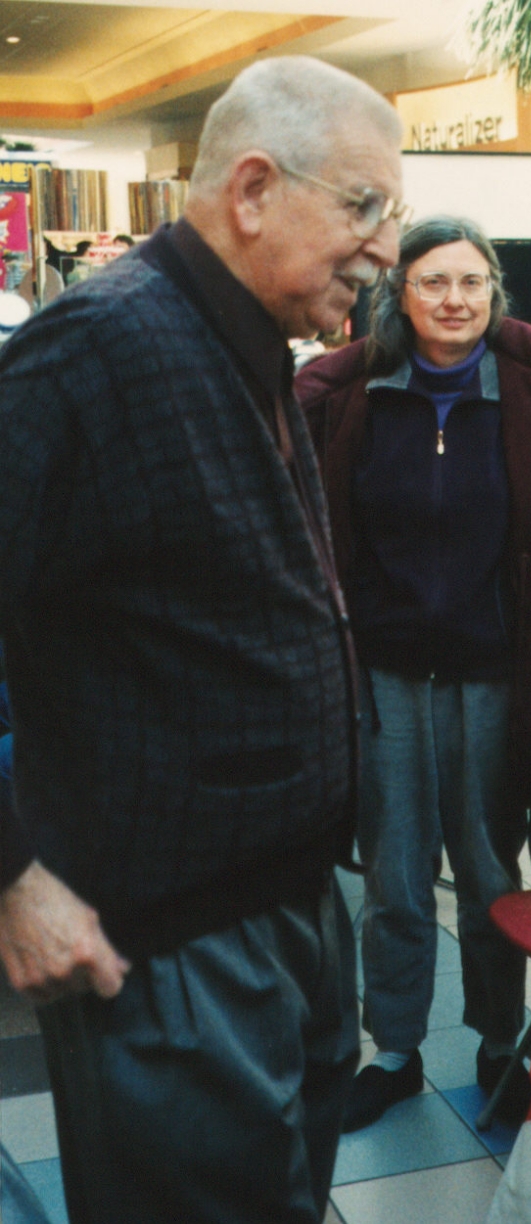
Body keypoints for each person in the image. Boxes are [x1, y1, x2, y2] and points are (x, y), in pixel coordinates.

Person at [0, 56, 404, 1224]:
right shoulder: (93, 350)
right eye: (363, 208)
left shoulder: (252, 347)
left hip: (281, 915)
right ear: (252, 189)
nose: (384, 249)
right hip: (166, 949)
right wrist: (14, 877)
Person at [296, 215, 531, 1131]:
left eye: (473, 283)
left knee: (490, 876)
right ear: (397, 295)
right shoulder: (353, 397)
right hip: (386, 679)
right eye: (434, 282)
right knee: (394, 878)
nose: (455, 300)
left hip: (498, 678)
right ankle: (393, 1050)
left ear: (494, 295)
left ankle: (497, 1045)